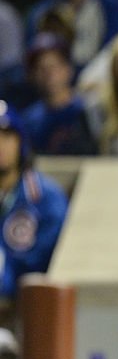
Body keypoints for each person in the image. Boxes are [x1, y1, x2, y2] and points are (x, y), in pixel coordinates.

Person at [0, 100, 68, 300]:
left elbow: (44, 262)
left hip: (28, 308)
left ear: (20, 142)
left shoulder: (45, 197)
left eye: (6, 136)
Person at [22, 32, 97, 155]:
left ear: (68, 69)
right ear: (32, 75)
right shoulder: (29, 119)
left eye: (54, 66)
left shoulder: (89, 110)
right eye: (41, 68)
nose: (49, 75)